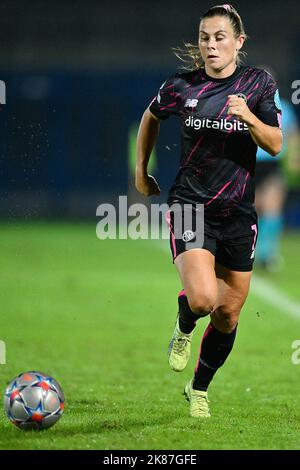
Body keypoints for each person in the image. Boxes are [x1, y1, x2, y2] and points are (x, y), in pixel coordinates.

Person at [135, 4, 282, 418]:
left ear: (239, 42)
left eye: (220, 37)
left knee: (228, 314)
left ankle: (198, 388)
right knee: (202, 300)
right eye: (205, 37)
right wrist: (140, 171)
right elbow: (151, 116)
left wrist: (248, 115)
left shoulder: (258, 84)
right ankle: (184, 324)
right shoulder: (183, 85)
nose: (211, 44)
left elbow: (274, 144)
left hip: (238, 214)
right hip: (189, 205)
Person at [255, 95, 299, 271]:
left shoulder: (283, 106)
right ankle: (251, 251)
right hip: (249, 162)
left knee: (273, 207)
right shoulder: (246, 102)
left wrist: (295, 156)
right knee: (253, 209)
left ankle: (268, 253)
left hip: (272, 163)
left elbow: (292, 132)